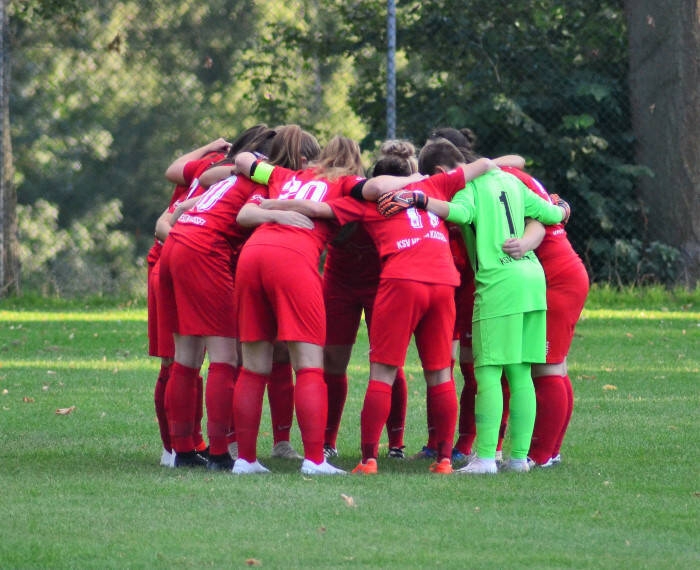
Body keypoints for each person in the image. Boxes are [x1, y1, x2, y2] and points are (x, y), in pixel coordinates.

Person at [258, 148, 495, 475]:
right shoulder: (434, 186)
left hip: (401, 278)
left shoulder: (368, 200)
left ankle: (369, 459)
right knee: (441, 373)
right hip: (443, 280)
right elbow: (483, 164)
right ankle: (443, 460)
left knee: (382, 371)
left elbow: (315, 207)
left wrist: (270, 205)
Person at [381, 137, 569, 474]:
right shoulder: (510, 181)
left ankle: (484, 458)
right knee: (521, 373)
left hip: (499, 284)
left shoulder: (472, 187)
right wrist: (564, 208)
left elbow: (460, 211)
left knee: (488, 374)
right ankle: (517, 459)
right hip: (532, 281)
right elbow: (551, 213)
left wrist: (422, 200)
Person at [158, 126, 313, 469]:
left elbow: (182, 210)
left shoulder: (235, 173)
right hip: (204, 251)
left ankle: (182, 450)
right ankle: (218, 453)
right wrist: (279, 213)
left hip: (178, 243)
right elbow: (246, 214)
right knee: (225, 358)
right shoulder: (263, 178)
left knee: (186, 357)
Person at [230, 134, 369, 476]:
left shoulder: (284, 176)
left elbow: (243, 161)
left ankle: (245, 460)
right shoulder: (352, 184)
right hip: (293, 261)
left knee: (252, 367)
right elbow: (373, 193)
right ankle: (314, 460)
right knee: (308, 367)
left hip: (253, 256)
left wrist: (274, 208)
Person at [321, 140, 416, 461]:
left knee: (389, 363)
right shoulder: (344, 192)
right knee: (332, 362)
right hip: (338, 284)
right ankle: (327, 440)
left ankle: (396, 444)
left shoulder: (400, 203)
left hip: (382, 284)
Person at [498, 165, 589, 467]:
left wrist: (522, 244)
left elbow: (537, 222)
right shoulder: (505, 170)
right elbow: (518, 158)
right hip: (563, 276)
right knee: (556, 366)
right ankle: (551, 451)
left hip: (557, 280)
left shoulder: (499, 179)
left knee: (546, 368)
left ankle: (540, 456)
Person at [148, 137, 230, 467]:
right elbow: (161, 226)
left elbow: (176, 169)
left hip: (187, 264)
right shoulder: (214, 179)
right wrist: (191, 243)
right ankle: (173, 448)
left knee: (190, 359)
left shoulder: (215, 177)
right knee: (176, 359)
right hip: (172, 265)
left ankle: (191, 442)